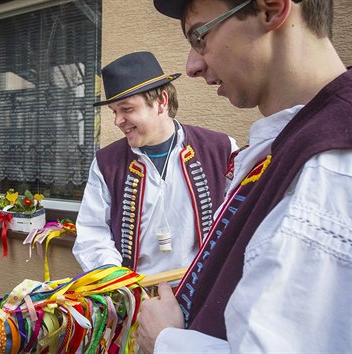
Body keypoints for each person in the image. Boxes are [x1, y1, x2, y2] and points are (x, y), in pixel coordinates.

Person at [137, 0, 351, 353]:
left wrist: (167, 340)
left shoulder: (329, 169)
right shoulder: (291, 144)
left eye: (199, 36)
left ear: (271, 9)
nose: (192, 65)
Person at [72, 51, 237, 277]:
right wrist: (116, 281)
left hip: (199, 290)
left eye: (127, 109)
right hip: (136, 296)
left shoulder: (220, 148)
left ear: (161, 102)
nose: (118, 121)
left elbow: (239, 218)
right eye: (114, 112)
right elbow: (92, 232)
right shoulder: (106, 163)